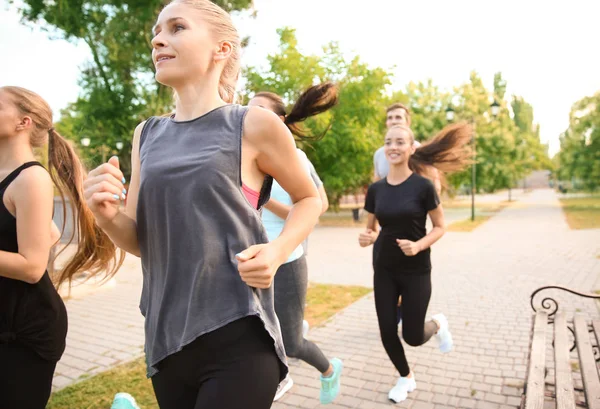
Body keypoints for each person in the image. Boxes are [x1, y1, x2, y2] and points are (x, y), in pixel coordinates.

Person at [83, 1, 322, 408]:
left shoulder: (252, 123)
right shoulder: (147, 134)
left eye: (177, 28)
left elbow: (310, 198)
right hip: (165, 339)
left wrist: (278, 252)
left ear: (222, 49)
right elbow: (141, 240)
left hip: (239, 339)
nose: (158, 38)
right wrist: (105, 216)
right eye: (157, 31)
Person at [0, 86, 123, 409]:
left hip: (23, 329)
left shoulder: (31, 179)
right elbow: (51, 232)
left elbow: (31, 267)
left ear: (22, 122)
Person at [359, 123, 471, 403]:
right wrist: (367, 237)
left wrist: (418, 245)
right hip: (383, 267)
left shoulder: (423, 187)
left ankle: (437, 325)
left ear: (411, 149)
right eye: (388, 142)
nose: (393, 147)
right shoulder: (376, 189)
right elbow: (372, 227)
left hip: (416, 270)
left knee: (412, 335)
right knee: (386, 330)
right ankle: (405, 376)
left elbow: (440, 226)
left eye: (399, 142)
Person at [249, 83, 342, 404]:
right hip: (252, 259)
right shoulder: (243, 156)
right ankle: (276, 378)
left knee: (291, 343)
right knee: (250, 334)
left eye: (259, 110)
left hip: (287, 260)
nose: (251, 116)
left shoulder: (295, 157)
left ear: (278, 121)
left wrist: (267, 201)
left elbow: (314, 207)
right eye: (248, 109)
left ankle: (330, 370)